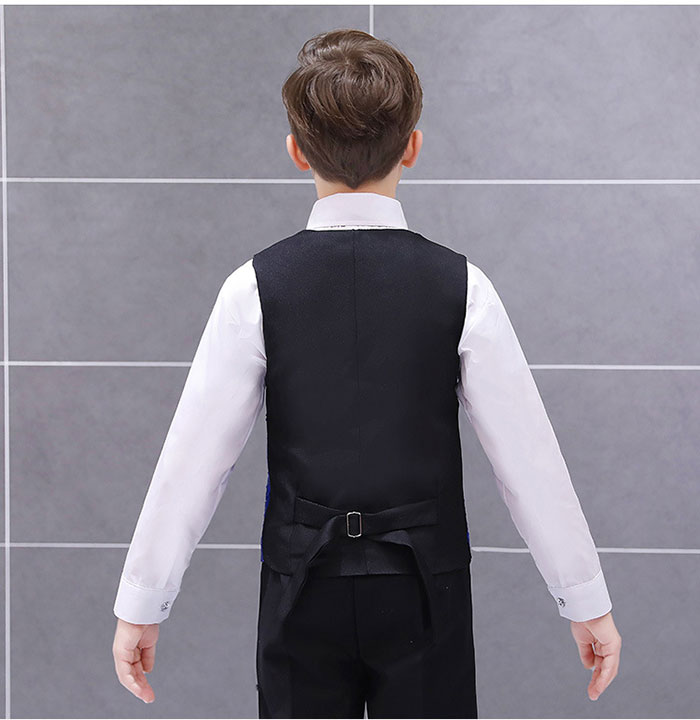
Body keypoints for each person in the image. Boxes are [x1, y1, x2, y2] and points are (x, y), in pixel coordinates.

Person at [112, 28, 622, 718]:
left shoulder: (254, 287)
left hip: (301, 590)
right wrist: (585, 599)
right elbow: (528, 460)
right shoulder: (462, 285)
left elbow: (194, 460)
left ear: (297, 151)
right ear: (412, 146)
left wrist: (142, 604)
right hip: (425, 591)